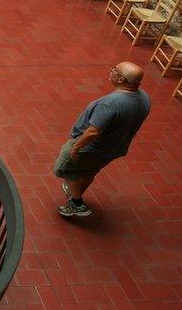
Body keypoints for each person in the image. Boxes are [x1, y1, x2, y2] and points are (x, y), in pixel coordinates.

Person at [53, 62, 150, 217]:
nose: (111, 71)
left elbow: (93, 132)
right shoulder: (144, 97)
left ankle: (77, 204)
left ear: (121, 80)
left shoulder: (109, 104)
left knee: (68, 169)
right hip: (114, 148)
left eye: (114, 70)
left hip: (92, 147)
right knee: (89, 171)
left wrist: (76, 147)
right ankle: (75, 193)